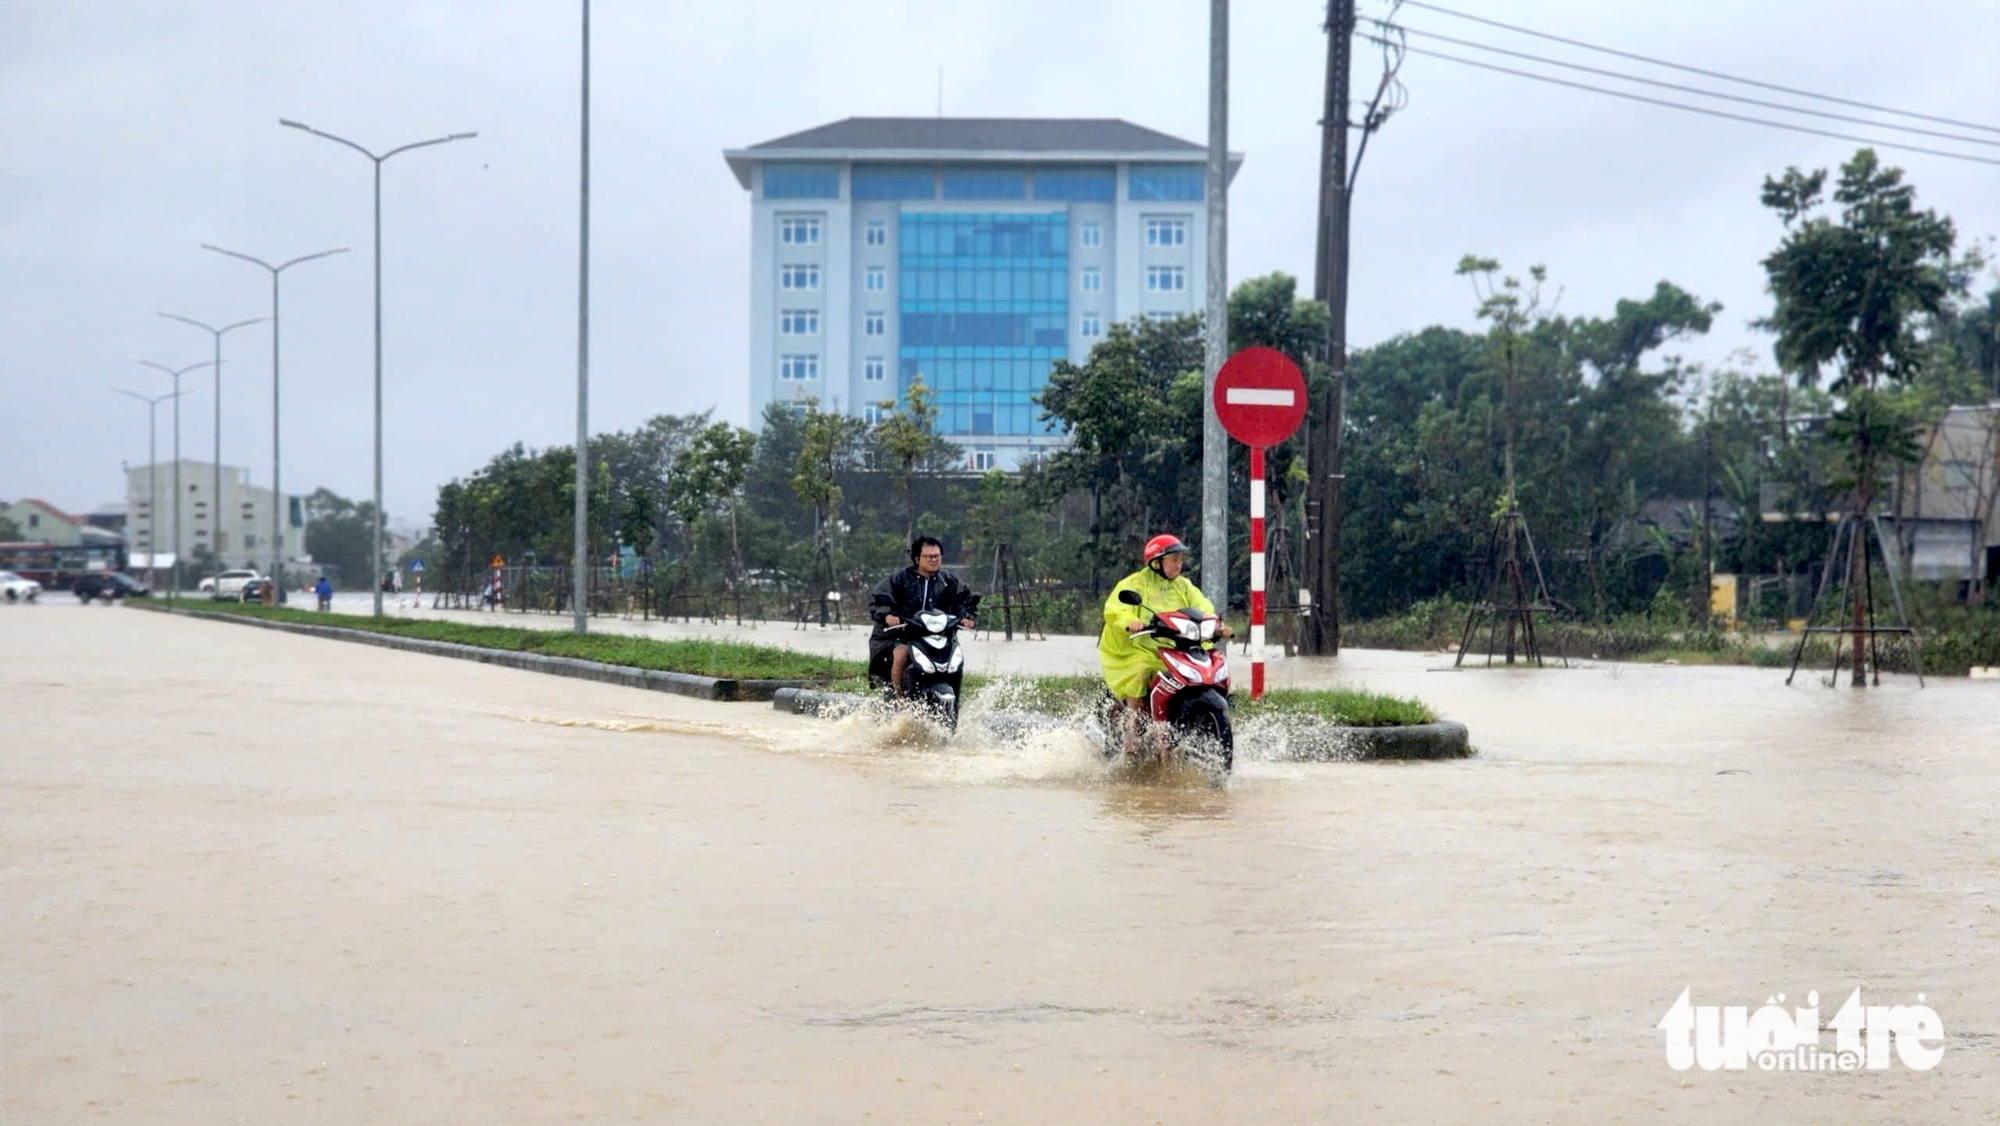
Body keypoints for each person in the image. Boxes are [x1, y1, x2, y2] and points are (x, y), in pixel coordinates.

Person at [1098, 534, 1231, 716]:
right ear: (1157, 562)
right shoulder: (1135, 583)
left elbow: (1202, 606)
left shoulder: (1183, 585)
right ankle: (1131, 736)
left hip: (1179, 647)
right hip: (1138, 649)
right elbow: (1117, 609)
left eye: (1180, 560)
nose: (1179, 564)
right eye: (1174, 560)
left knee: (1211, 668)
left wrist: (1215, 624)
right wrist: (1130, 622)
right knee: (1141, 672)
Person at [868, 535, 979, 699]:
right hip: (904, 636)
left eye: (937, 556)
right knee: (901, 654)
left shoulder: (948, 580)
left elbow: (964, 600)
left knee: (956, 659)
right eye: (929, 556)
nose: (934, 560)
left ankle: (955, 701)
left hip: (939, 636)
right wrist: (888, 614)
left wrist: (966, 617)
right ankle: (900, 700)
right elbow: (879, 598)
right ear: (917, 558)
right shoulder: (900, 579)